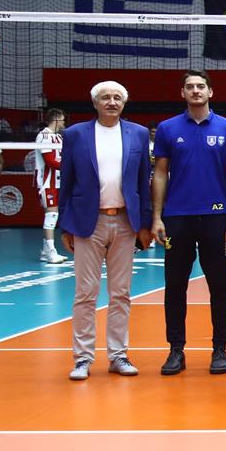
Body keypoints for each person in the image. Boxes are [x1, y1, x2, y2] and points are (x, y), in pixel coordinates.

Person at [151, 71, 226, 376]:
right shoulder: (167, 129)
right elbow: (160, 173)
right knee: (175, 286)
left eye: (200, 86)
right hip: (177, 217)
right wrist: (157, 217)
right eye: (190, 87)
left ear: (210, 92)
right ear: (182, 93)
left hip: (216, 217)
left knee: (219, 287)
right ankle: (175, 350)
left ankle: (220, 349)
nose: (195, 91)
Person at [59, 81, 153, 380]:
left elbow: (143, 183)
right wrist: (66, 225)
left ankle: (118, 355)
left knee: (121, 293)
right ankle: (82, 358)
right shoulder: (75, 134)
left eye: (117, 98)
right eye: (105, 98)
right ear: (95, 103)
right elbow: (66, 181)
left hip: (125, 222)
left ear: (124, 103)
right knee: (85, 293)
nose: (111, 102)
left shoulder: (138, 133)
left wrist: (145, 224)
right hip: (88, 223)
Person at [33, 109, 68, 263]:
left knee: (54, 213)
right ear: (56, 119)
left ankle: (45, 251)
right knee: (51, 214)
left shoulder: (59, 137)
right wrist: (71, 167)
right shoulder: (43, 136)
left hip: (59, 180)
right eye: (63, 120)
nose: (64, 122)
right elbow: (50, 161)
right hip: (47, 181)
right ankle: (50, 251)